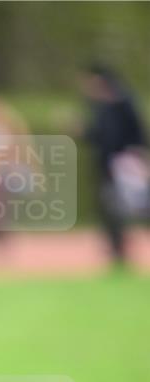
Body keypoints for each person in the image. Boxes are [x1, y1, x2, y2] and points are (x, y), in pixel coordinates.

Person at [78, 65, 148, 263]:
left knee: (137, 205)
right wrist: (83, 132)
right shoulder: (99, 105)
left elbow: (137, 131)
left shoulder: (123, 101)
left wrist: (140, 156)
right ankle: (117, 249)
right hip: (107, 166)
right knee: (110, 208)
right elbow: (100, 136)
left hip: (127, 164)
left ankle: (119, 247)